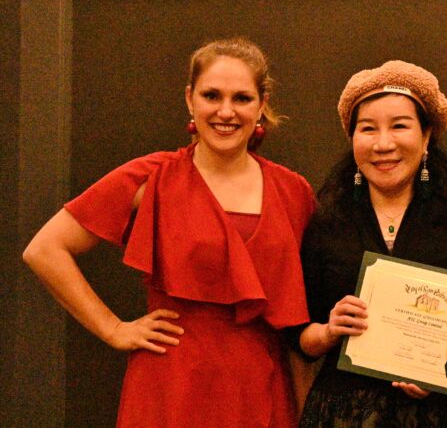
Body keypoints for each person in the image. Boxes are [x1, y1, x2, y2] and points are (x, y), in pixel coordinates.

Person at [22, 38, 315, 427]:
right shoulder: (153, 178)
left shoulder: (294, 192)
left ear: (262, 104)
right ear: (190, 98)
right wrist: (113, 328)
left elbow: (303, 317)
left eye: (242, 98)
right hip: (171, 384)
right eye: (212, 95)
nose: (226, 111)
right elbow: (44, 249)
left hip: (261, 385)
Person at [294, 60, 447, 427]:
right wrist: (329, 331)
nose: (383, 144)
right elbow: (300, 338)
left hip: (439, 416)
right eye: (367, 129)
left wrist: (441, 373)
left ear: (426, 136)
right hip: (344, 416)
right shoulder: (328, 223)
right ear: (352, 139)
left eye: (399, 126)